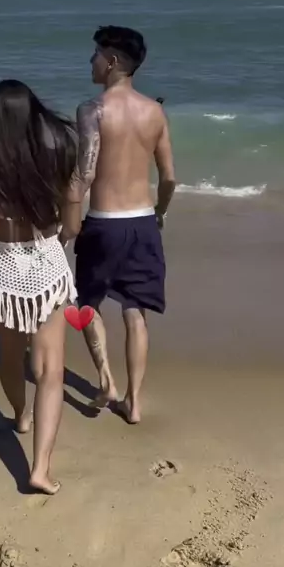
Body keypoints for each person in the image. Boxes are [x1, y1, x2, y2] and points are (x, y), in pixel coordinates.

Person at [0, 80, 78, 494]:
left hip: (6, 271)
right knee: (50, 371)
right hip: (47, 268)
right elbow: (71, 222)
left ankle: (21, 415)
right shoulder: (55, 159)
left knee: (10, 357)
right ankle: (39, 469)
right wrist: (62, 234)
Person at [72, 26, 176, 424]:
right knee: (135, 311)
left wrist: (65, 223)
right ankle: (134, 402)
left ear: (112, 61)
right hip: (143, 223)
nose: (91, 61)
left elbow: (84, 175)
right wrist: (160, 211)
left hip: (103, 225)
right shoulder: (155, 112)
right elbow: (169, 178)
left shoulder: (92, 109)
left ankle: (106, 381)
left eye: (96, 54)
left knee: (87, 302)